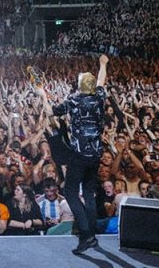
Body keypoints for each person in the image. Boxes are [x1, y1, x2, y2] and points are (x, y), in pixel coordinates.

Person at [38, 54, 109, 254]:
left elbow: (50, 112)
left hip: (79, 155)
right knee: (88, 192)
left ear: (79, 86)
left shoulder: (74, 100)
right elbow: (102, 79)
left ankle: (86, 235)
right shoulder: (99, 97)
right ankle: (91, 235)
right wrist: (103, 64)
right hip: (95, 155)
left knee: (70, 192)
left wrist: (42, 94)